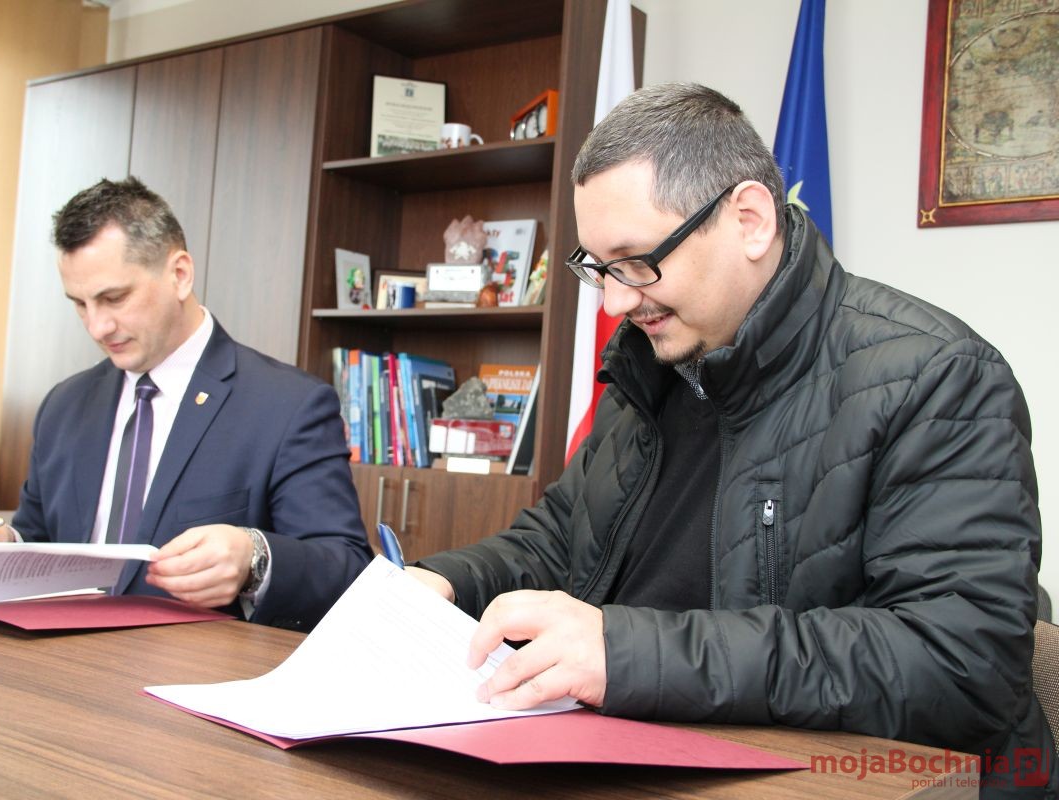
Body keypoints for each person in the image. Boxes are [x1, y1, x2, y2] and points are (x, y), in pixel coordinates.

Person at [409, 83, 1056, 795]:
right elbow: (561, 542)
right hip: (633, 754)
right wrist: (445, 583)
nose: (617, 301)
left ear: (749, 221)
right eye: (598, 268)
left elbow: (959, 665)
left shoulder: (939, 378)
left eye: (636, 261)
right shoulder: (652, 367)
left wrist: (630, 655)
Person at [0, 177, 372, 631]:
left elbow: (347, 570)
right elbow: (40, 537)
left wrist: (255, 558)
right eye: (80, 304)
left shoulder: (288, 405)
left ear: (179, 274)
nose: (97, 327)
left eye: (114, 298)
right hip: (55, 662)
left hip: (192, 667)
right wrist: (2, 543)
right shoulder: (63, 405)